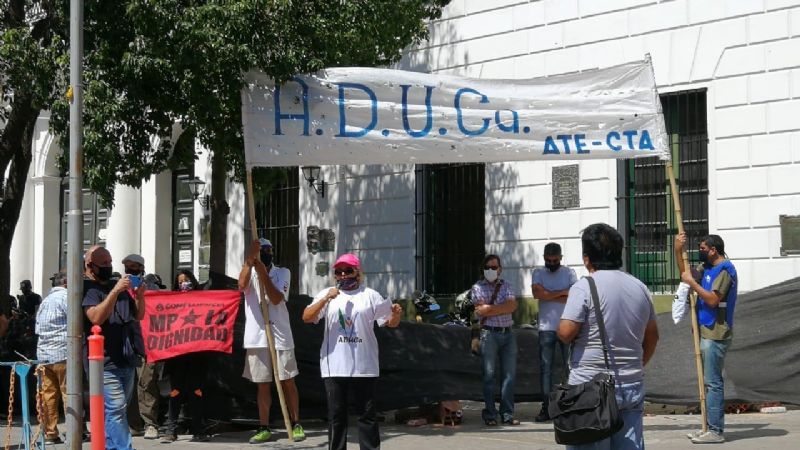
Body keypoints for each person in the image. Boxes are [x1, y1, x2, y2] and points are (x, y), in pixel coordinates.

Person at [557, 223, 659, 450]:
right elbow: (652, 337)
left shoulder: (584, 287)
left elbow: (565, 333)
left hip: (589, 388)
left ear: (586, 259)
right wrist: (636, 365)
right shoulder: (640, 287)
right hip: (631, 383)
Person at [302, 253, 402, 450]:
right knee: (337, 417)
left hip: (364, 366)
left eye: (348, 270)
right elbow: (306, 317)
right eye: (338, 271)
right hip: (335, 366)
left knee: (367, 416)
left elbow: (389, 323)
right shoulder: (327, 294)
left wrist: (396, 314)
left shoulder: (370, 295)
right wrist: (325, 300)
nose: (343, 275)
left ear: (358, 273)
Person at [238, 238, 304, 443]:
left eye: (268, 250)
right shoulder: (247, 270)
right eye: (261, 250)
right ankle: (263, 426)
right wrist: (250, 263)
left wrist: (263, 274)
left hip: (280, 336)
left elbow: (276, 298)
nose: (266, 253)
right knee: (262, 384)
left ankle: (296, 423)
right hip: (257, 338)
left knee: (287, 380)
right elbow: (241, 286)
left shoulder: (283, 272)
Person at [675, 232, 738, 444]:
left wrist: (692, 283)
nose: (699, 252)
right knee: (708, 383)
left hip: (716, 333)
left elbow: (712, 299)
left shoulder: (725, 270)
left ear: (713, 250)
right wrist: (677, 249)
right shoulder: (708, 268)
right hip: (705, 330)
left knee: (713, 383)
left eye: (703, 249)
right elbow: (686, 273)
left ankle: (715, 430)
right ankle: (708, 427)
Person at [82, 246, 145, 450]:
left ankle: (110, 446)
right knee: (116, 408)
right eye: (104, 264)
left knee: (116, 410)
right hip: (103, 361)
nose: (109, 267)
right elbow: (96, 317)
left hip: (126, 358)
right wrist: (115, 291)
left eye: (110, 262)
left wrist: (140, 295)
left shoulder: (118, 286)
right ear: (91, 267)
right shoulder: (88, 289)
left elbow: (139, 315)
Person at [161, 270, 212, 443]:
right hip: (177, 358)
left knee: (196, 392)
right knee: (175, 393)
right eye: (181, 281)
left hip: (197, 356)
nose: (185, 284)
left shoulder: (202, 301)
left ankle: (199, 429)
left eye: (187, 280)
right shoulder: (171, 302)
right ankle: (171, 429)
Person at [531, 242, 577, 422]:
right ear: (544, 258)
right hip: (546, 328)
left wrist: (549, 293)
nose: (551, 263)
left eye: (554, 260)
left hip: (566, 326)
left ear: (560, 258)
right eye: (548, 260)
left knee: (570, 368)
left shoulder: (569, 272)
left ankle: (570, 406)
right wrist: (562, 294)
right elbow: (537, 294)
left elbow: (574, 296)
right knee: (546, 370)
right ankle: (547, 407)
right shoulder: (538, 272)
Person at [472, 254, 519, 427]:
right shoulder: (477, 287)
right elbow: (480, 311)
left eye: (494, 267)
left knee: (509, 376)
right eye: (488, 267)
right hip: (488, 334)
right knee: (489, 376)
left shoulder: (507, 285)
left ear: (500, 269)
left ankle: (507, 414)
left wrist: (490, 309)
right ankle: (490, 414)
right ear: (484, 269)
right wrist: (502, 308)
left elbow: (512, 306)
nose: (491, 270)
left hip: (508, 334)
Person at [121, 254, 164, 440]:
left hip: (148, 344)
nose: (129, 270)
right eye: (127, 266)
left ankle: (151, 424)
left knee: (145, 384)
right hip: (127, 345)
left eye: (133, 266)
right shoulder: (119, 287)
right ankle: (134, 424)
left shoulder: (151, 288)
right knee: (128, 387)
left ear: (141, 268)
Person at [35, 271, 69, 444]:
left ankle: (50, 433)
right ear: (66, 282)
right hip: (63, 353)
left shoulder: (45, 301)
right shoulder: (66, 297)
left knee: (48, 395)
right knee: (69, 393)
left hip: (44, 354)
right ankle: (73, 431)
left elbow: (37, 328)